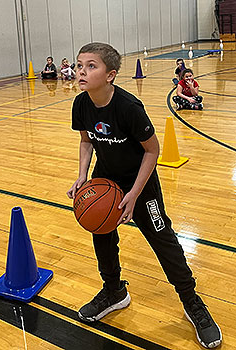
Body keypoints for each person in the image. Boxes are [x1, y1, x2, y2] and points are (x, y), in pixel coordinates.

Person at [67, 42, 222, 349]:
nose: (81, 71)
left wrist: (134, 194)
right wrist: (83, 177)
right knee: (102, 233)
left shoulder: (129, 107)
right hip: (105, 179)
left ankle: (191, 301)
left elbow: (153, 151)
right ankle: (114, 291)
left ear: (110, 75)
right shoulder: (81, 104)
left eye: (90, 66)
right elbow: (87, 141)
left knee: (162, 238)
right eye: (79, 64)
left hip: (140, 182)